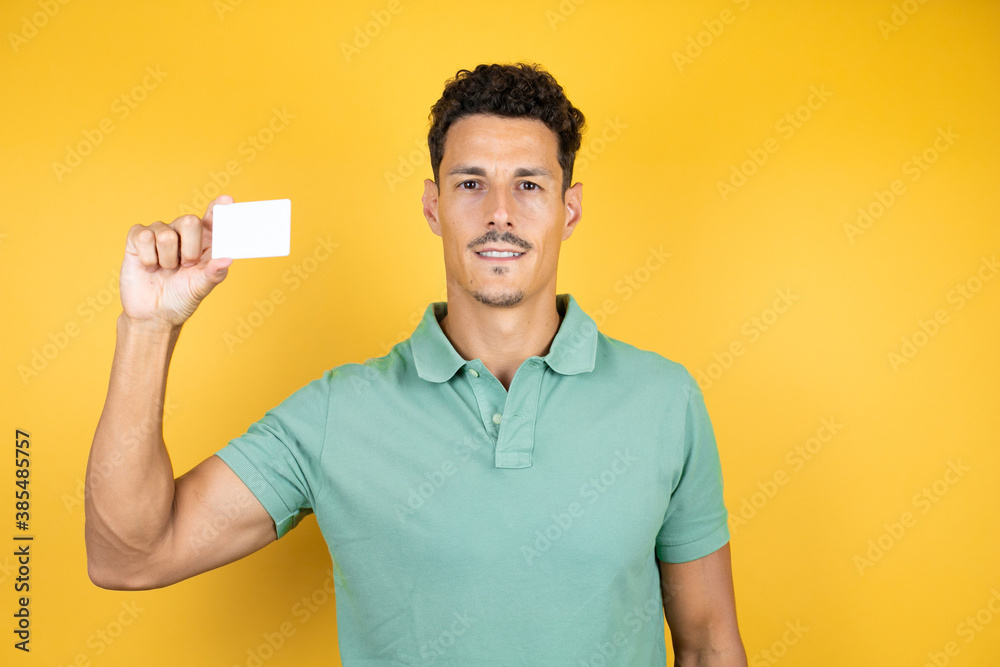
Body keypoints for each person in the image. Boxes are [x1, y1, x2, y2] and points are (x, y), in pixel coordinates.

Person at [86, 62, 748, 665]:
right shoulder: (337, 413)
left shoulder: (665, 400)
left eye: (528, 184)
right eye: (470, 183)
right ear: (434, 206)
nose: (499, 213)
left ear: (568, 209)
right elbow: (130, 554)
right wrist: (149, 326)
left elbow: (710, 643)